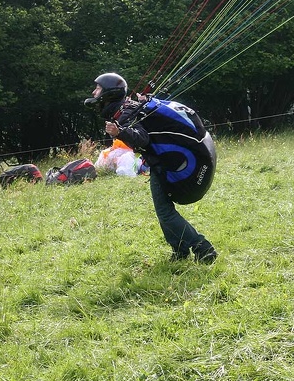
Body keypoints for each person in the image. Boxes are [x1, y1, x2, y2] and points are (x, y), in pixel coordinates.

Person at [86, 73, 218, 263]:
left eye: (97, 88)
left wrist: (120, 132)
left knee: (164, 212)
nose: (93, 92)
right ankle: (180, 252)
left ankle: (202, 247)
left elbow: (142, 138)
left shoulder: (124, 115)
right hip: (162, 162)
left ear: (108, 93)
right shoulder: (129, 107)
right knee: (164, 210)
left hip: (163, 165)